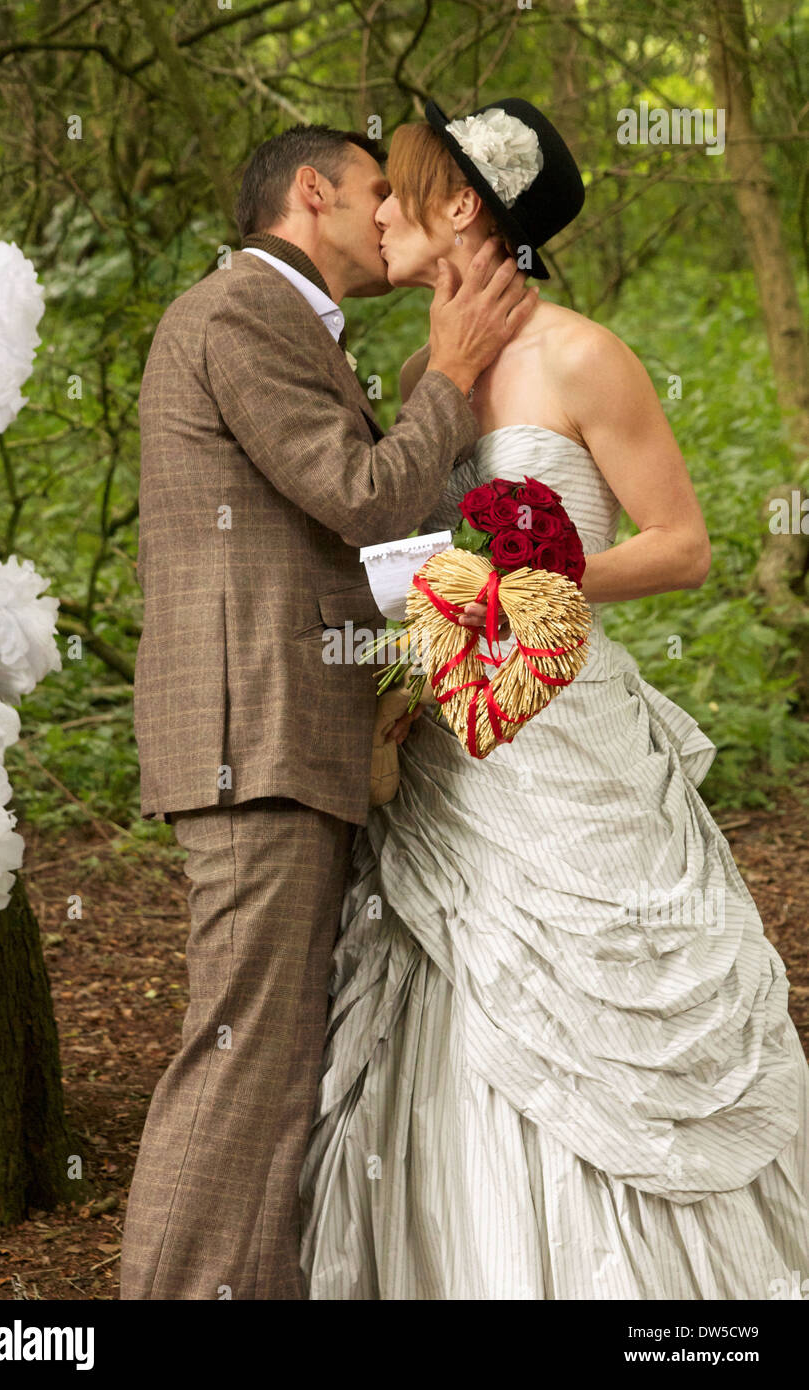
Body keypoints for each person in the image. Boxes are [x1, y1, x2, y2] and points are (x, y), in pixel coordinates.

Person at [299, 98, 809, 1299]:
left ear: (462, 205)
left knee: (598, 1008)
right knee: (451, 998)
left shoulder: (581, 354)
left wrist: (532, 579)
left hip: (564, 739)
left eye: (398, 186)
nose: (377, 206)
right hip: (446, 744)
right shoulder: (428, 368)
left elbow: (681, 545)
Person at [119, 122, 538, 1300]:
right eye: (371, 191)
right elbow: (360, 499)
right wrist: (451, 372)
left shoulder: (287, 323)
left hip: (286, 736)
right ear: (312, 192)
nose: (389, 210)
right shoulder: (239, 312)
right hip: (251, 739)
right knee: (242, 1057)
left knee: (276, 1056)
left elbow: (370, 545)